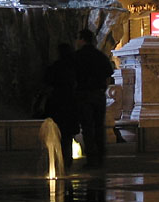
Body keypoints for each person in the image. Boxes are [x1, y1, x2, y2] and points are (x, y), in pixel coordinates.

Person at [74, 29, 114, 169]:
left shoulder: (78, 56)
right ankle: (101, 156)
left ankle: (92, 158)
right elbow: (109, 71)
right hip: (99, 94)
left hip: (84, 94)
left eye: (78, 38)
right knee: (98, 126)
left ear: (82, 39)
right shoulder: (99, 55)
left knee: (87, 127)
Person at [45, 43, 79, 170]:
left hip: (58, 104)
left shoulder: (56, 67)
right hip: (71, 103)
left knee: (58, 133)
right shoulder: (74, 67)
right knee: (68, 137)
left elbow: (47, 80)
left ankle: (57, 162)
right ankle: (66, 162)